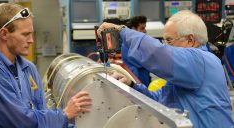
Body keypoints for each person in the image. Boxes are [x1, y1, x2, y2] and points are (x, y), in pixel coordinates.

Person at [98, 10, 234, 128]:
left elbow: (159, 53)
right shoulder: (186, 73)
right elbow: (161, 101)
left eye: (169, 41)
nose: (166, 46)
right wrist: (132, 85)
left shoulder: (201, 60)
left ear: (190, 40)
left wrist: (122, 31)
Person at [0, 3, 91, 128]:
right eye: (25, 34)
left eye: (31, 34)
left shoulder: (28, 67)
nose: (31, 40)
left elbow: (40, 110)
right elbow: (19, 121)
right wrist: (64, 115)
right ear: (4, 34)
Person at [122, 15, 151, 86]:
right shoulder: (126, 45)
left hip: (144, 80)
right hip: (136, 82)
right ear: (133, 29)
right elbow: (143, 62)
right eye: (142, 28)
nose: (145, 31)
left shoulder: (139, 43)